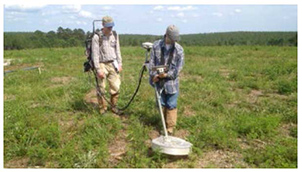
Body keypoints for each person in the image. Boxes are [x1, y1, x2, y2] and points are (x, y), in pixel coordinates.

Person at [149, 25, 184, 134]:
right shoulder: (156, 46)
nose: (174, 41)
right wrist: (154, 75)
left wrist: (166, 75)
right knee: (161, 103)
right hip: (158, 82)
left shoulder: (179, 50)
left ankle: (170, 128)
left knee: (172, 104)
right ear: (167, 36)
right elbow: (151, 64)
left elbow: (178, 69)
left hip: (171, 83)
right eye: (173, 38)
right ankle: (163, 124)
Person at [91, 16, 123, 115]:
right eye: (108, 27)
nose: (110, 29)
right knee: (101, 87)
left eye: (111, 26)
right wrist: (98, 69)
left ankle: (114, 107)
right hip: (101, 64)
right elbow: (95, 54)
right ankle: (102, 108)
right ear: (103, 25)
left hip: (113, 63)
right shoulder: (97, 37)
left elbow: (117, 50)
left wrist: (120, 63)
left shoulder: (115, 35)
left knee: (116, 87)